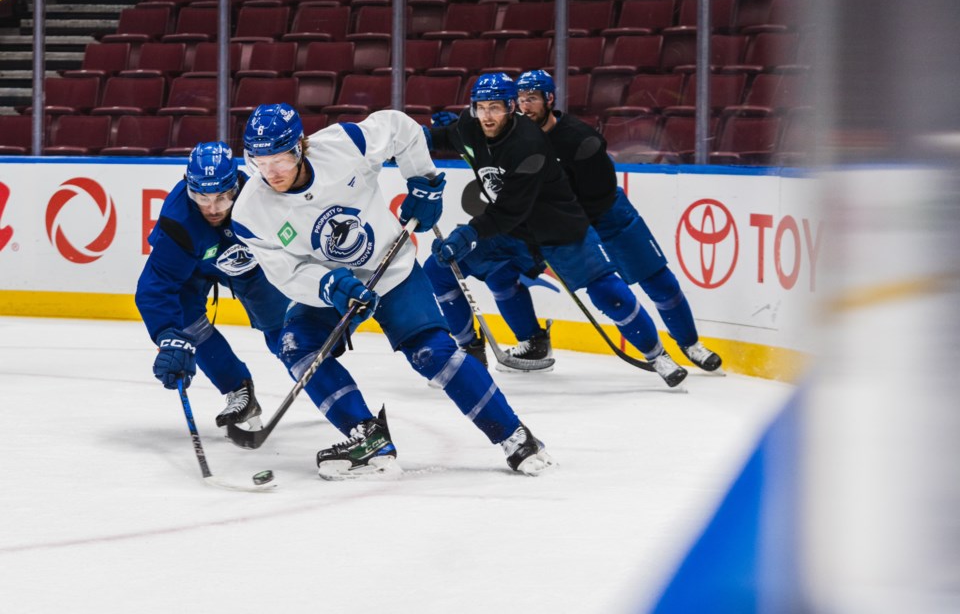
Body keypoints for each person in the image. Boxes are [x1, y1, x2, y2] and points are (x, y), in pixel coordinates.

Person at [229, 102, 554, 478]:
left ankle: (515, 437)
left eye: (280, 160)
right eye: (260, 162)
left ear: (301, 145)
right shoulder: (250, 212)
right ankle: (367, 438)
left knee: (433, 353)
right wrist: (328, 285)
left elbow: (400, 127)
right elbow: (286, 273)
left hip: (391, 268)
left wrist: (424, 179)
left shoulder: (344, 144)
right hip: (332, 287)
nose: (271, 173)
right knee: (296, 346)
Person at [424, 73, 689, 388]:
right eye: (481, 107)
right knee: (439, 269)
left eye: (495, 107)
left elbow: (510, 209)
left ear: (511, 107)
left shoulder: (528, 144)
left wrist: (469, 233)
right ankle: (471, 351)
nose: (487, 115)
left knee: (607, 292)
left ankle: (658, 355)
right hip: (513, 232)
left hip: (557, 226)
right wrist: (413, 141)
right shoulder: (471, 124)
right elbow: (443, 138)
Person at [514, 69, 722, 371]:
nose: (525, 106)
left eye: (531, 99)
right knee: (608, 294)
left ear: (549, 98)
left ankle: (691, 344)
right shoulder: (519, 141)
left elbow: (599, 192)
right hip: (571, 227)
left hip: (608, 216)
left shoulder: (581, 139)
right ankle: (658, 355)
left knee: (660, 281)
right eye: (521, 100)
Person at [136, 142, 291, 429]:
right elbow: (154, 288)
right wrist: (168, 337)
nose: (212, 208)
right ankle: (238, 390)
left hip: (252, 268)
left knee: (285, 335)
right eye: (201, 197)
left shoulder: (262, 200)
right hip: (193, 266)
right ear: (188, 186)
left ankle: (316, 374)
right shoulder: (179, 219)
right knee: (185, 322)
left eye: (222, 197)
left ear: (237, 186)